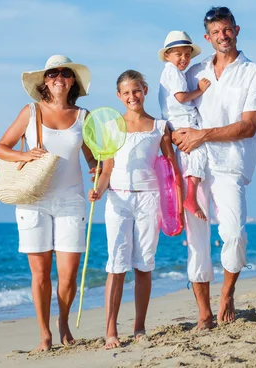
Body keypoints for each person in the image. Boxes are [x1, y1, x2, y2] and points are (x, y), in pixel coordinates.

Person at [173, 6, 256, 328]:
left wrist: (203, 135)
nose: (222, 36)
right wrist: (177, 137)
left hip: (231, 164)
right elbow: (176, 111)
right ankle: (203, 312)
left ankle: (227, 294)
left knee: (234, 233)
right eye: (216, 32)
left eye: (227, 30)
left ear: (237, 30)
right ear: (207, 37)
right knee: (196, 241)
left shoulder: (254, 73)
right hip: (195, 166)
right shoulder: (195, 71)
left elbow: (249, 126)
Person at [0, 55, 96, 351]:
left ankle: (63, 321)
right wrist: (23, 155)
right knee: (39, 274)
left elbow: (91, 155)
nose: (59, 78)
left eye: (65, 73)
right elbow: (0, 148)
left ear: (73, 80)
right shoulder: (31, 112)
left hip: (72, 201)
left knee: (68, 274)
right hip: (33, 200)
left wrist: (96, 168)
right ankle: (44, 333)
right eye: (53, 74)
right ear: (45, 81)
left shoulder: (83, 116)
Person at [88, 70, 183, 349]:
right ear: (119, 96)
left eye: (137, 90)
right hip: (118, 199)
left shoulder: (160, 127)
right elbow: (106, 171)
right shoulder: (111, 128)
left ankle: (139, 326)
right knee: (116, 266)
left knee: (143, 265)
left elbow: (171, 169)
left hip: (149, 199)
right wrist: (99, 190)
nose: (132, 97)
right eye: (126, 93)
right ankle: (110, 331)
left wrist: (177, 208)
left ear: (146, 89)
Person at [158, 30, 211, 221]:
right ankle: (190, 197)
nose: (184, 58)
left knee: (195, 153)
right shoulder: (173, 72)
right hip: (182, 122)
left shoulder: (171, 73)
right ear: (167, 55)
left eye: (187, 54)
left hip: (177, 121)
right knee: (200, 150)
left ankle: (187, 198)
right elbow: (181, 97)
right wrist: (200, 90)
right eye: (178, 54)